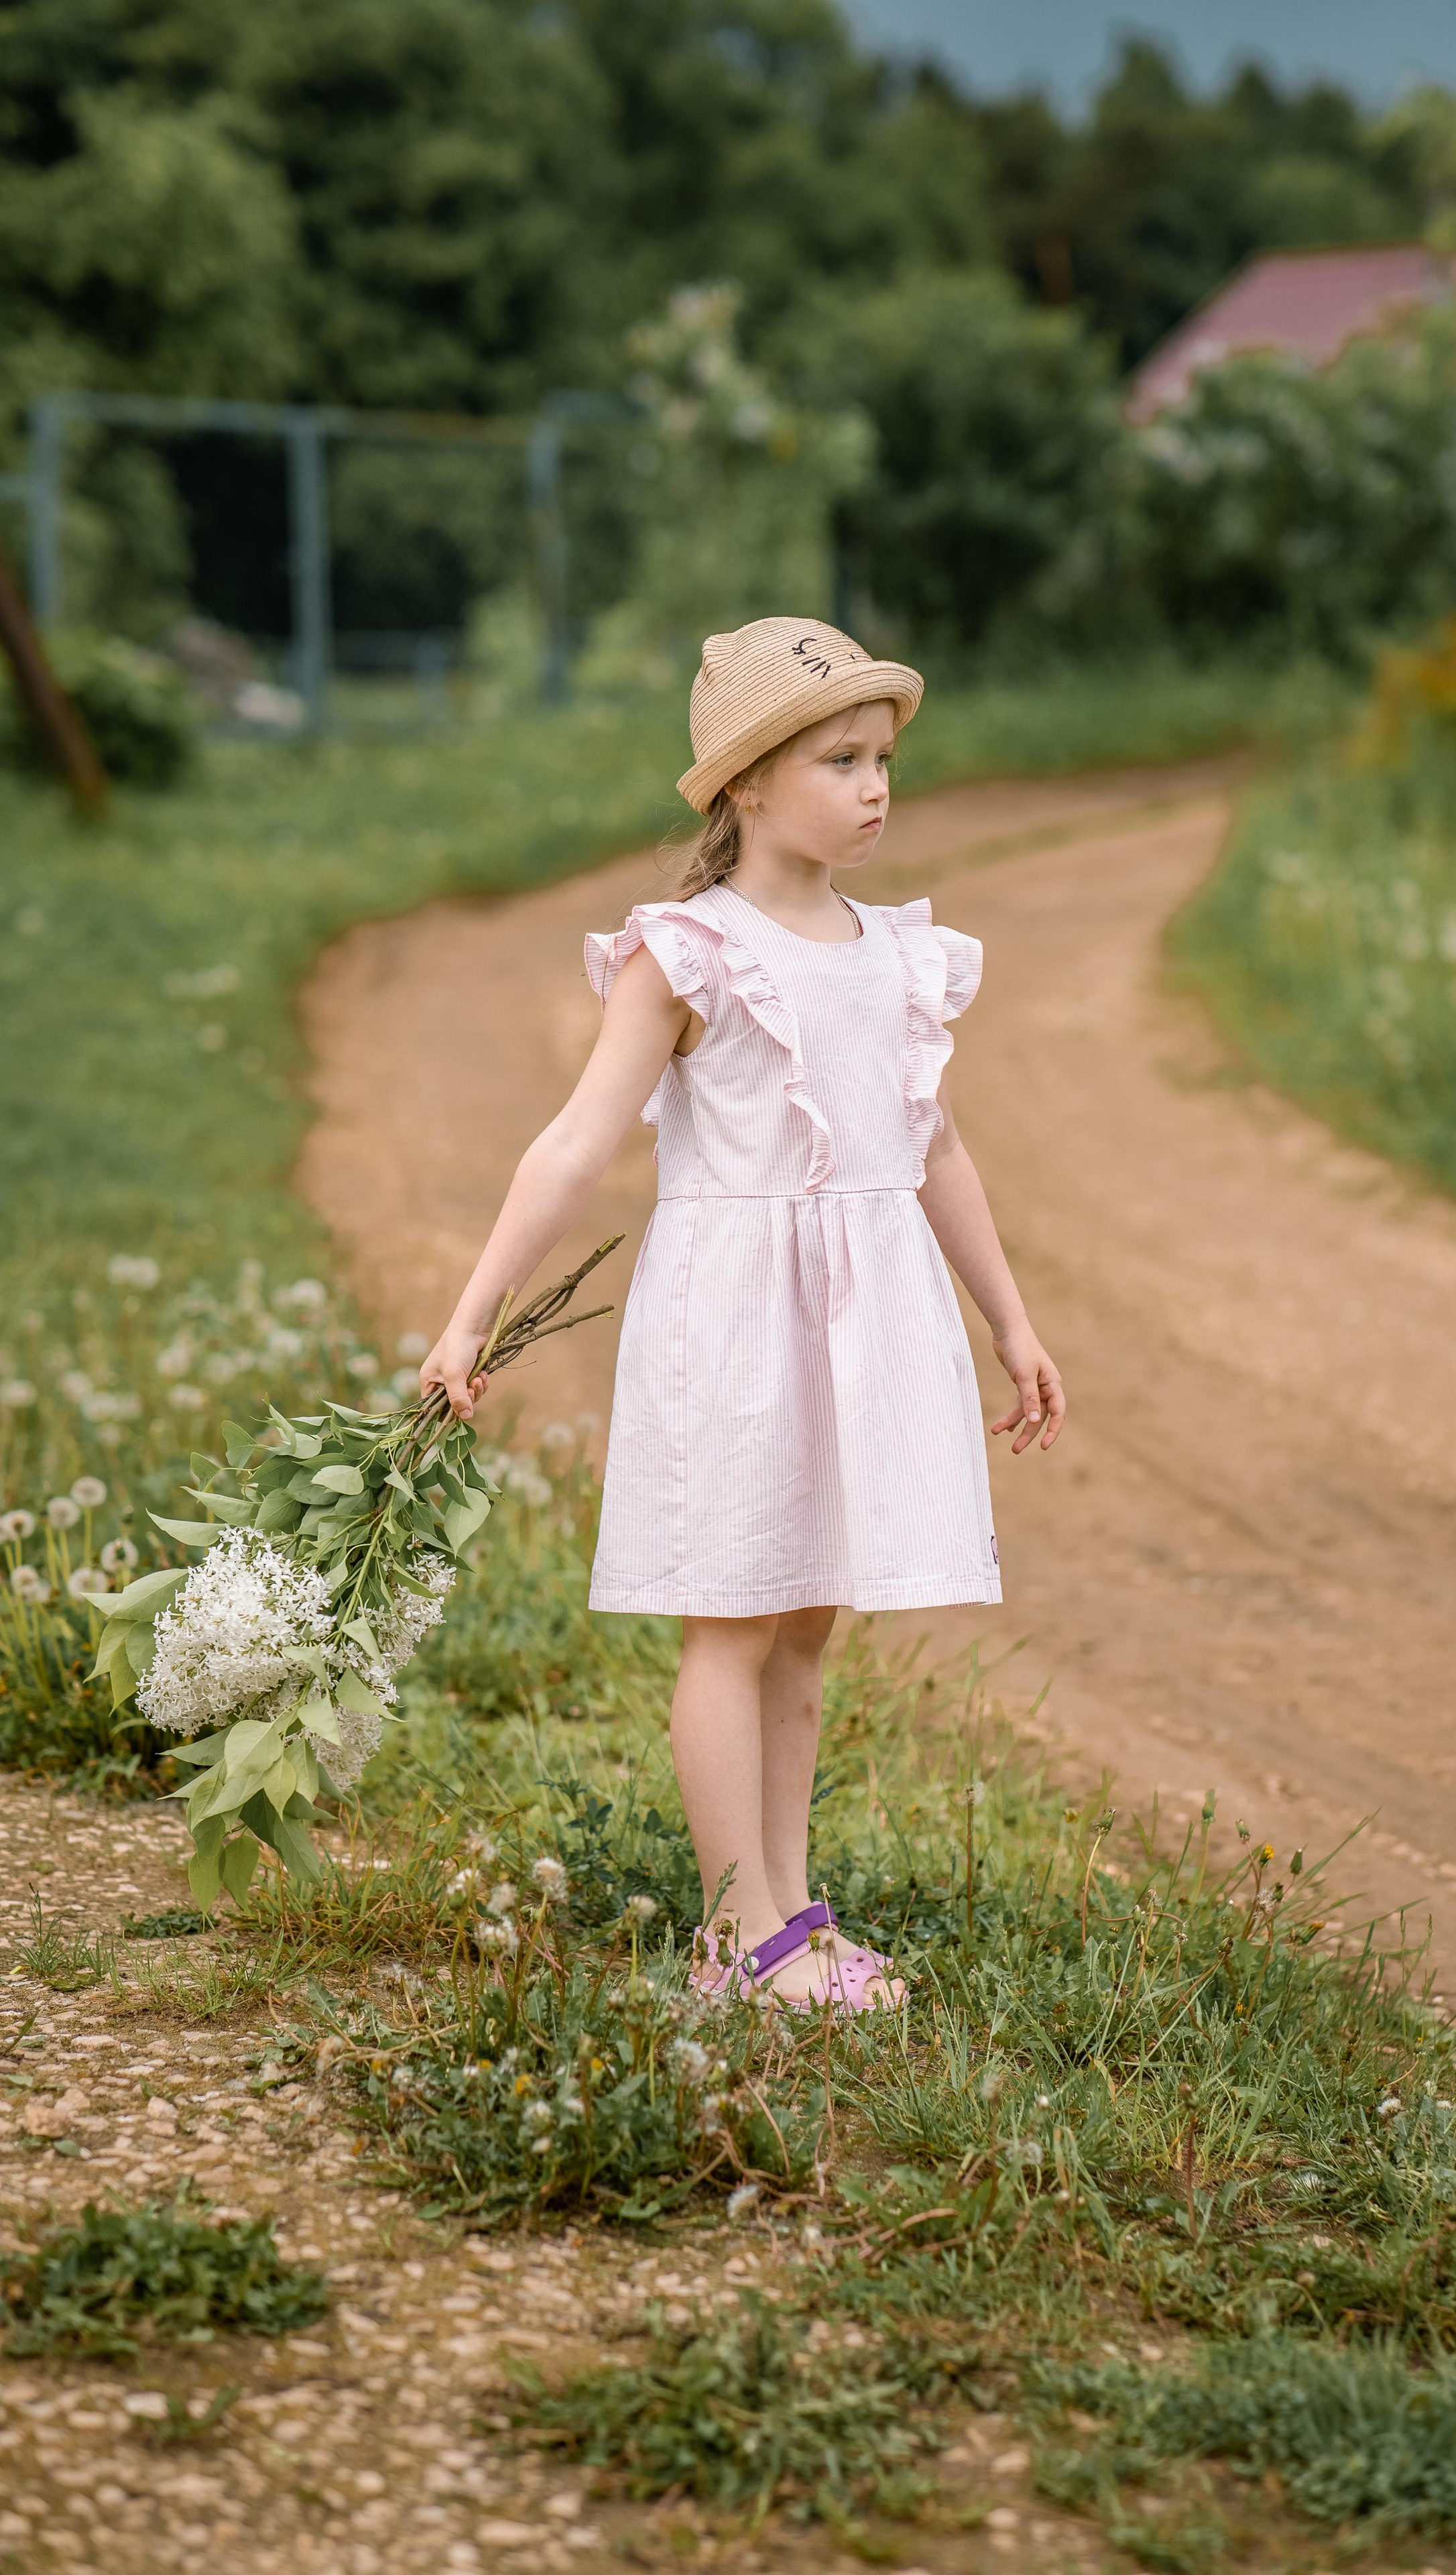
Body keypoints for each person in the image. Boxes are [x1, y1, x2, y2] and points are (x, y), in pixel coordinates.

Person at [420, 617, 1065, 2010]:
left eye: (882, 758)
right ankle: (736, 1933)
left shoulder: (896, 956)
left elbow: (932, 1148)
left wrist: (1007, 1322)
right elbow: (575, 1145)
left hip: (861, 1326)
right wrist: (471, 1315)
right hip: (734, 1333)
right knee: (730, 1616)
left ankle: (791, 1911)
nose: (875, 786)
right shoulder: (688, 956)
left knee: (807, 1624)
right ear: (748, 782)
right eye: (840, 759)